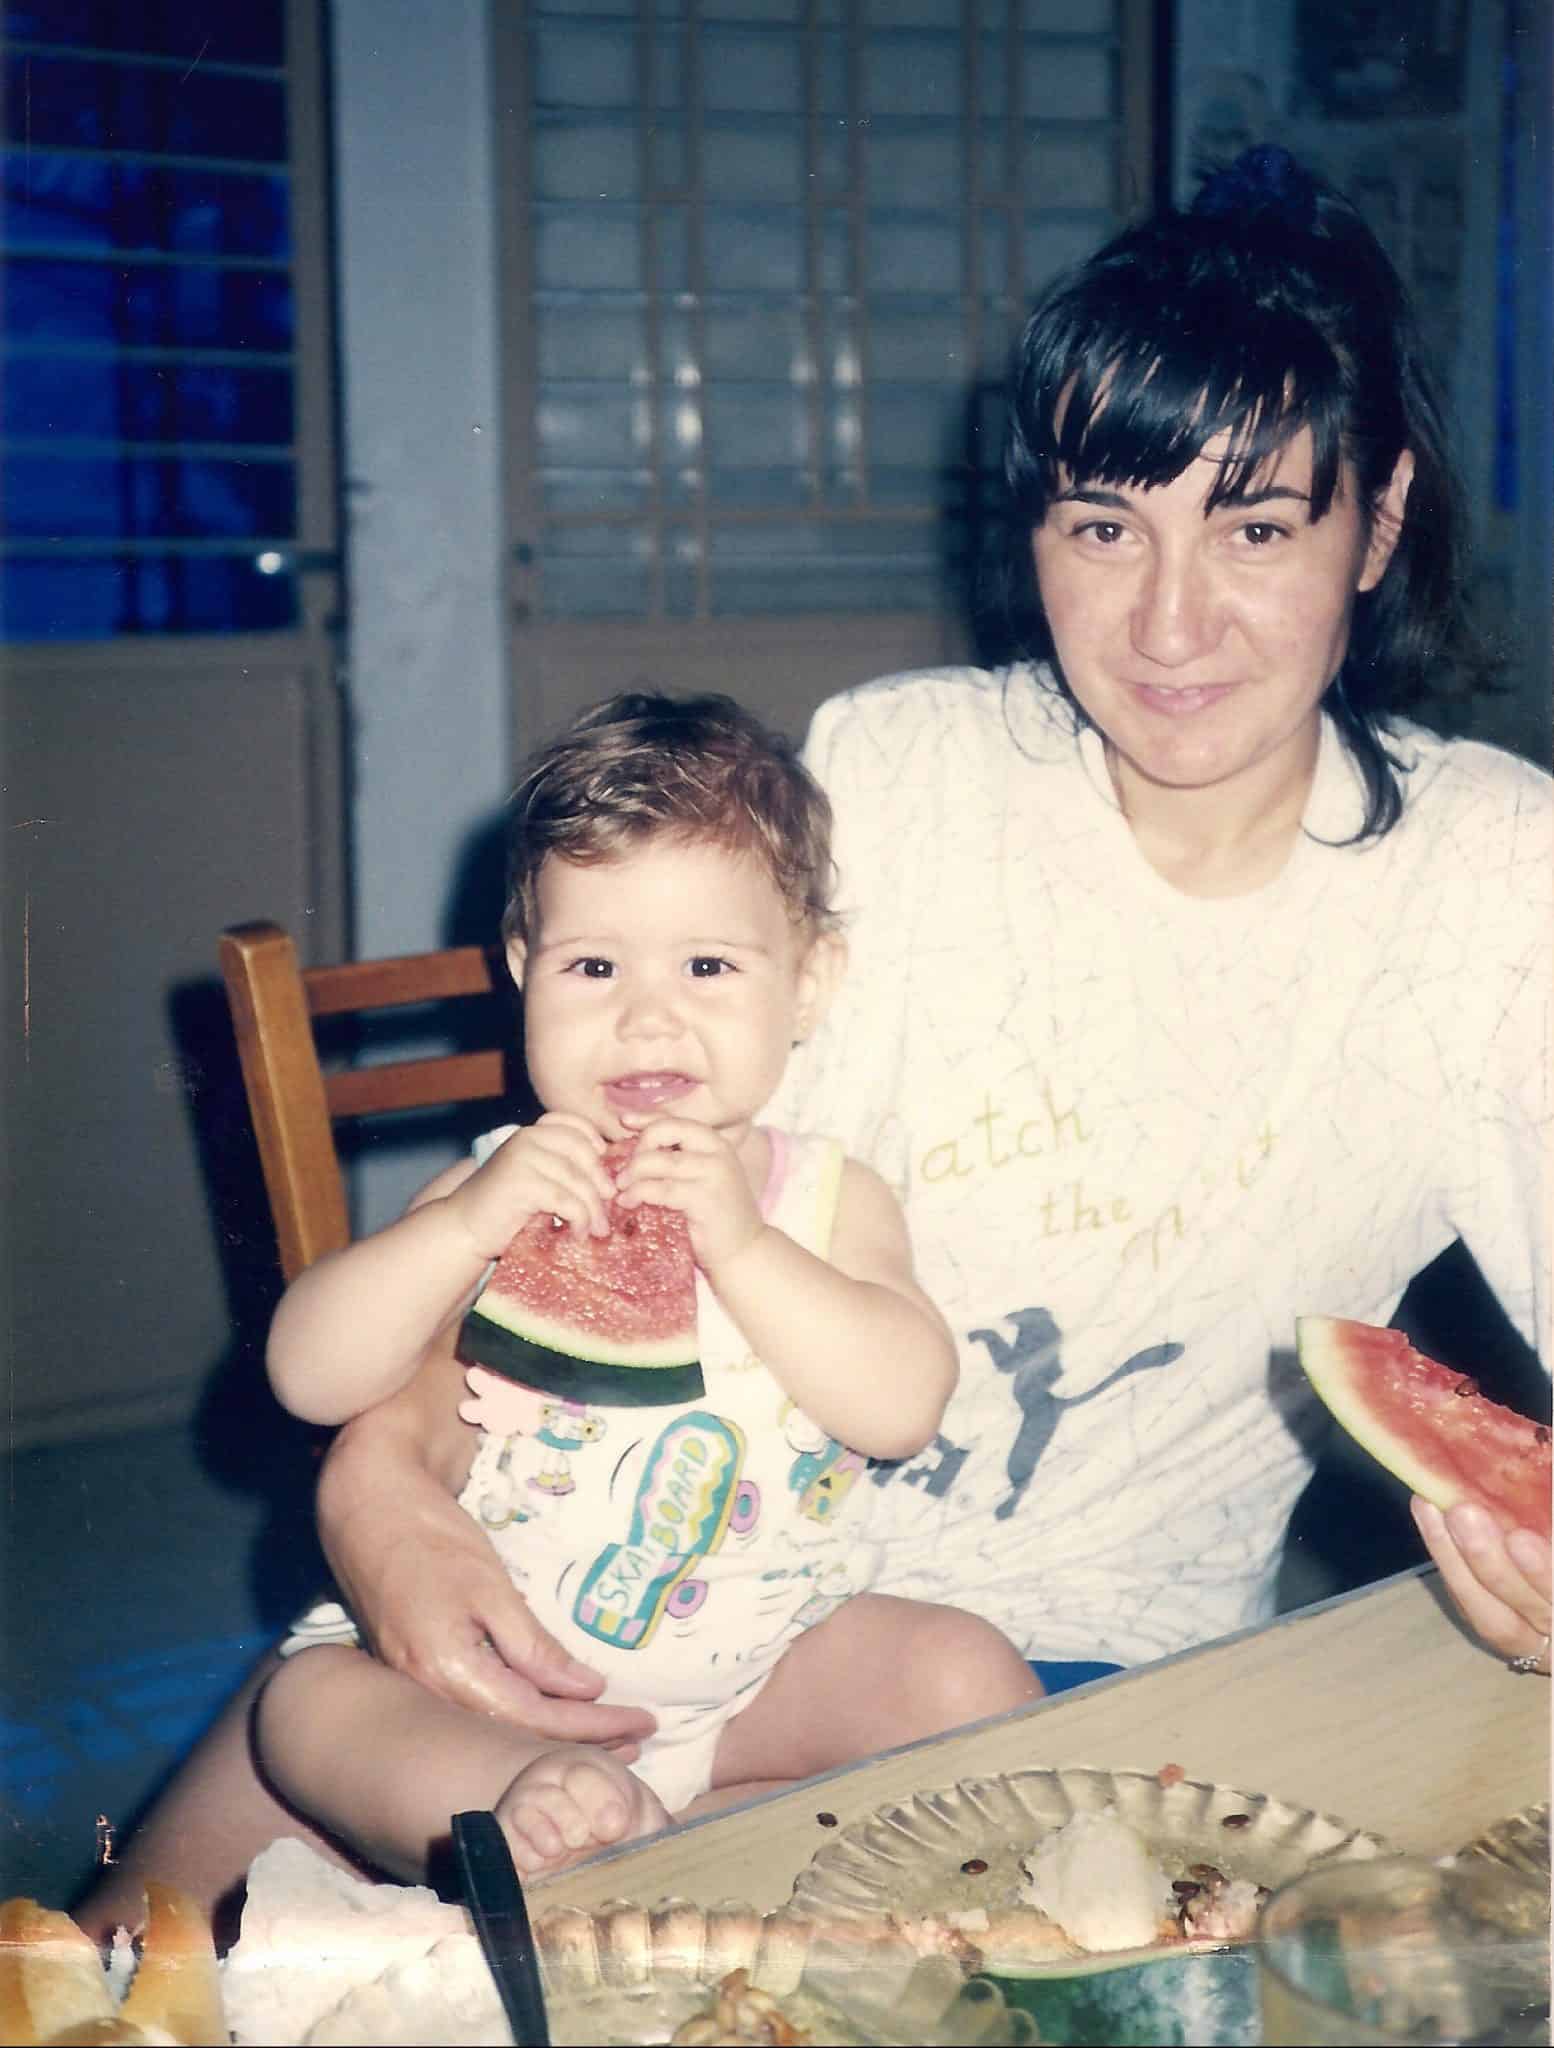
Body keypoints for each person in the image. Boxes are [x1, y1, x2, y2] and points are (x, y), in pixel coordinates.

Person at [77, 145, 1550, 1938]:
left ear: (1373, 523)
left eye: (1254, 528)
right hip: (636, 1555)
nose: (1168, 623)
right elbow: (590, 1200)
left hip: (1039, 1662)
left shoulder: (1488, 880)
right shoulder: (901, 771)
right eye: (1104, 523)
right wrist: (387, 1481)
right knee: (114, 1951)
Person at [244, 691, 1037, 1884]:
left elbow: (900, 1403)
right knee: (302, 1706)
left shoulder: (830, 1197)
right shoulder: (493, 1184)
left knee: (966, 1670)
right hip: (481, 1691)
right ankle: (541, 1810)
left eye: (709, 964)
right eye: (594, 963)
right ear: (523, 972)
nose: (646, 1014)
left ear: (808, 982)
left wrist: (745, 1247)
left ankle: (643, 1835)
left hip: (756, 1674)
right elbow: (309, 1373)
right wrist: (463, 1225)